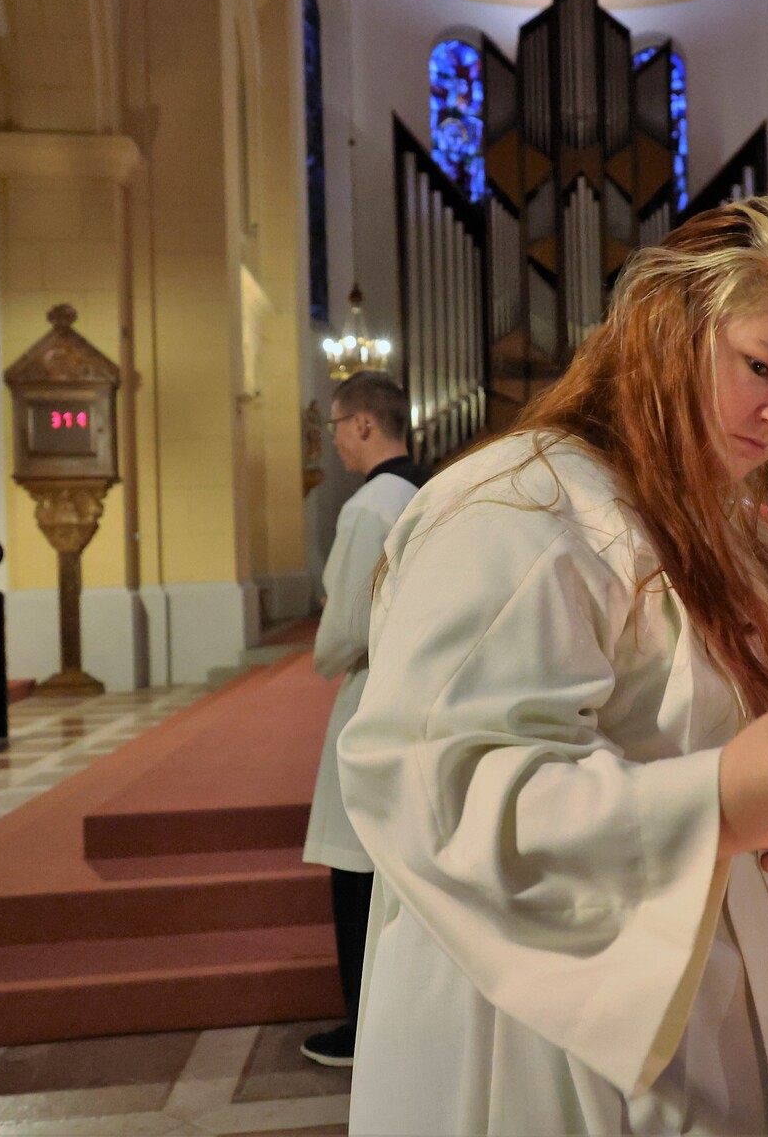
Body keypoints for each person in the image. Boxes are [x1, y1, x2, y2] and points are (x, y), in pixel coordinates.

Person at [337, 197, 768, 1133]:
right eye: (760, 367)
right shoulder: (522, 503)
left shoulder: (730, 527)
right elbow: (438, 787)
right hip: (598, 1035)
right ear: (669, 329)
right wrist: (718, 807)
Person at [299, 371, 426, 1068]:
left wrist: (324, 650)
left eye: (337, 427)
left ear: (365, 425)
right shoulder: (425, 491)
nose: (336, 442)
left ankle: (364, 1028)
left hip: (373, 692)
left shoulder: (370, 506)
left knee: (356, 862)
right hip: (416, 690)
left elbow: (346, 626)